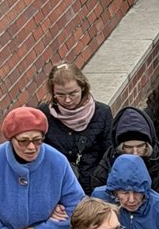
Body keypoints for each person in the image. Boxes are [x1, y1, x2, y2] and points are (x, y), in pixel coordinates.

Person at [39, 62, 114, 190]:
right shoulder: (43, 115)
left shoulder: (102, 113)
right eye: (60, 95)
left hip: (93, 187)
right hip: (58, 187)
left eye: (73, 93)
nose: (67, 100)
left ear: (83, 87)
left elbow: (109, 154)